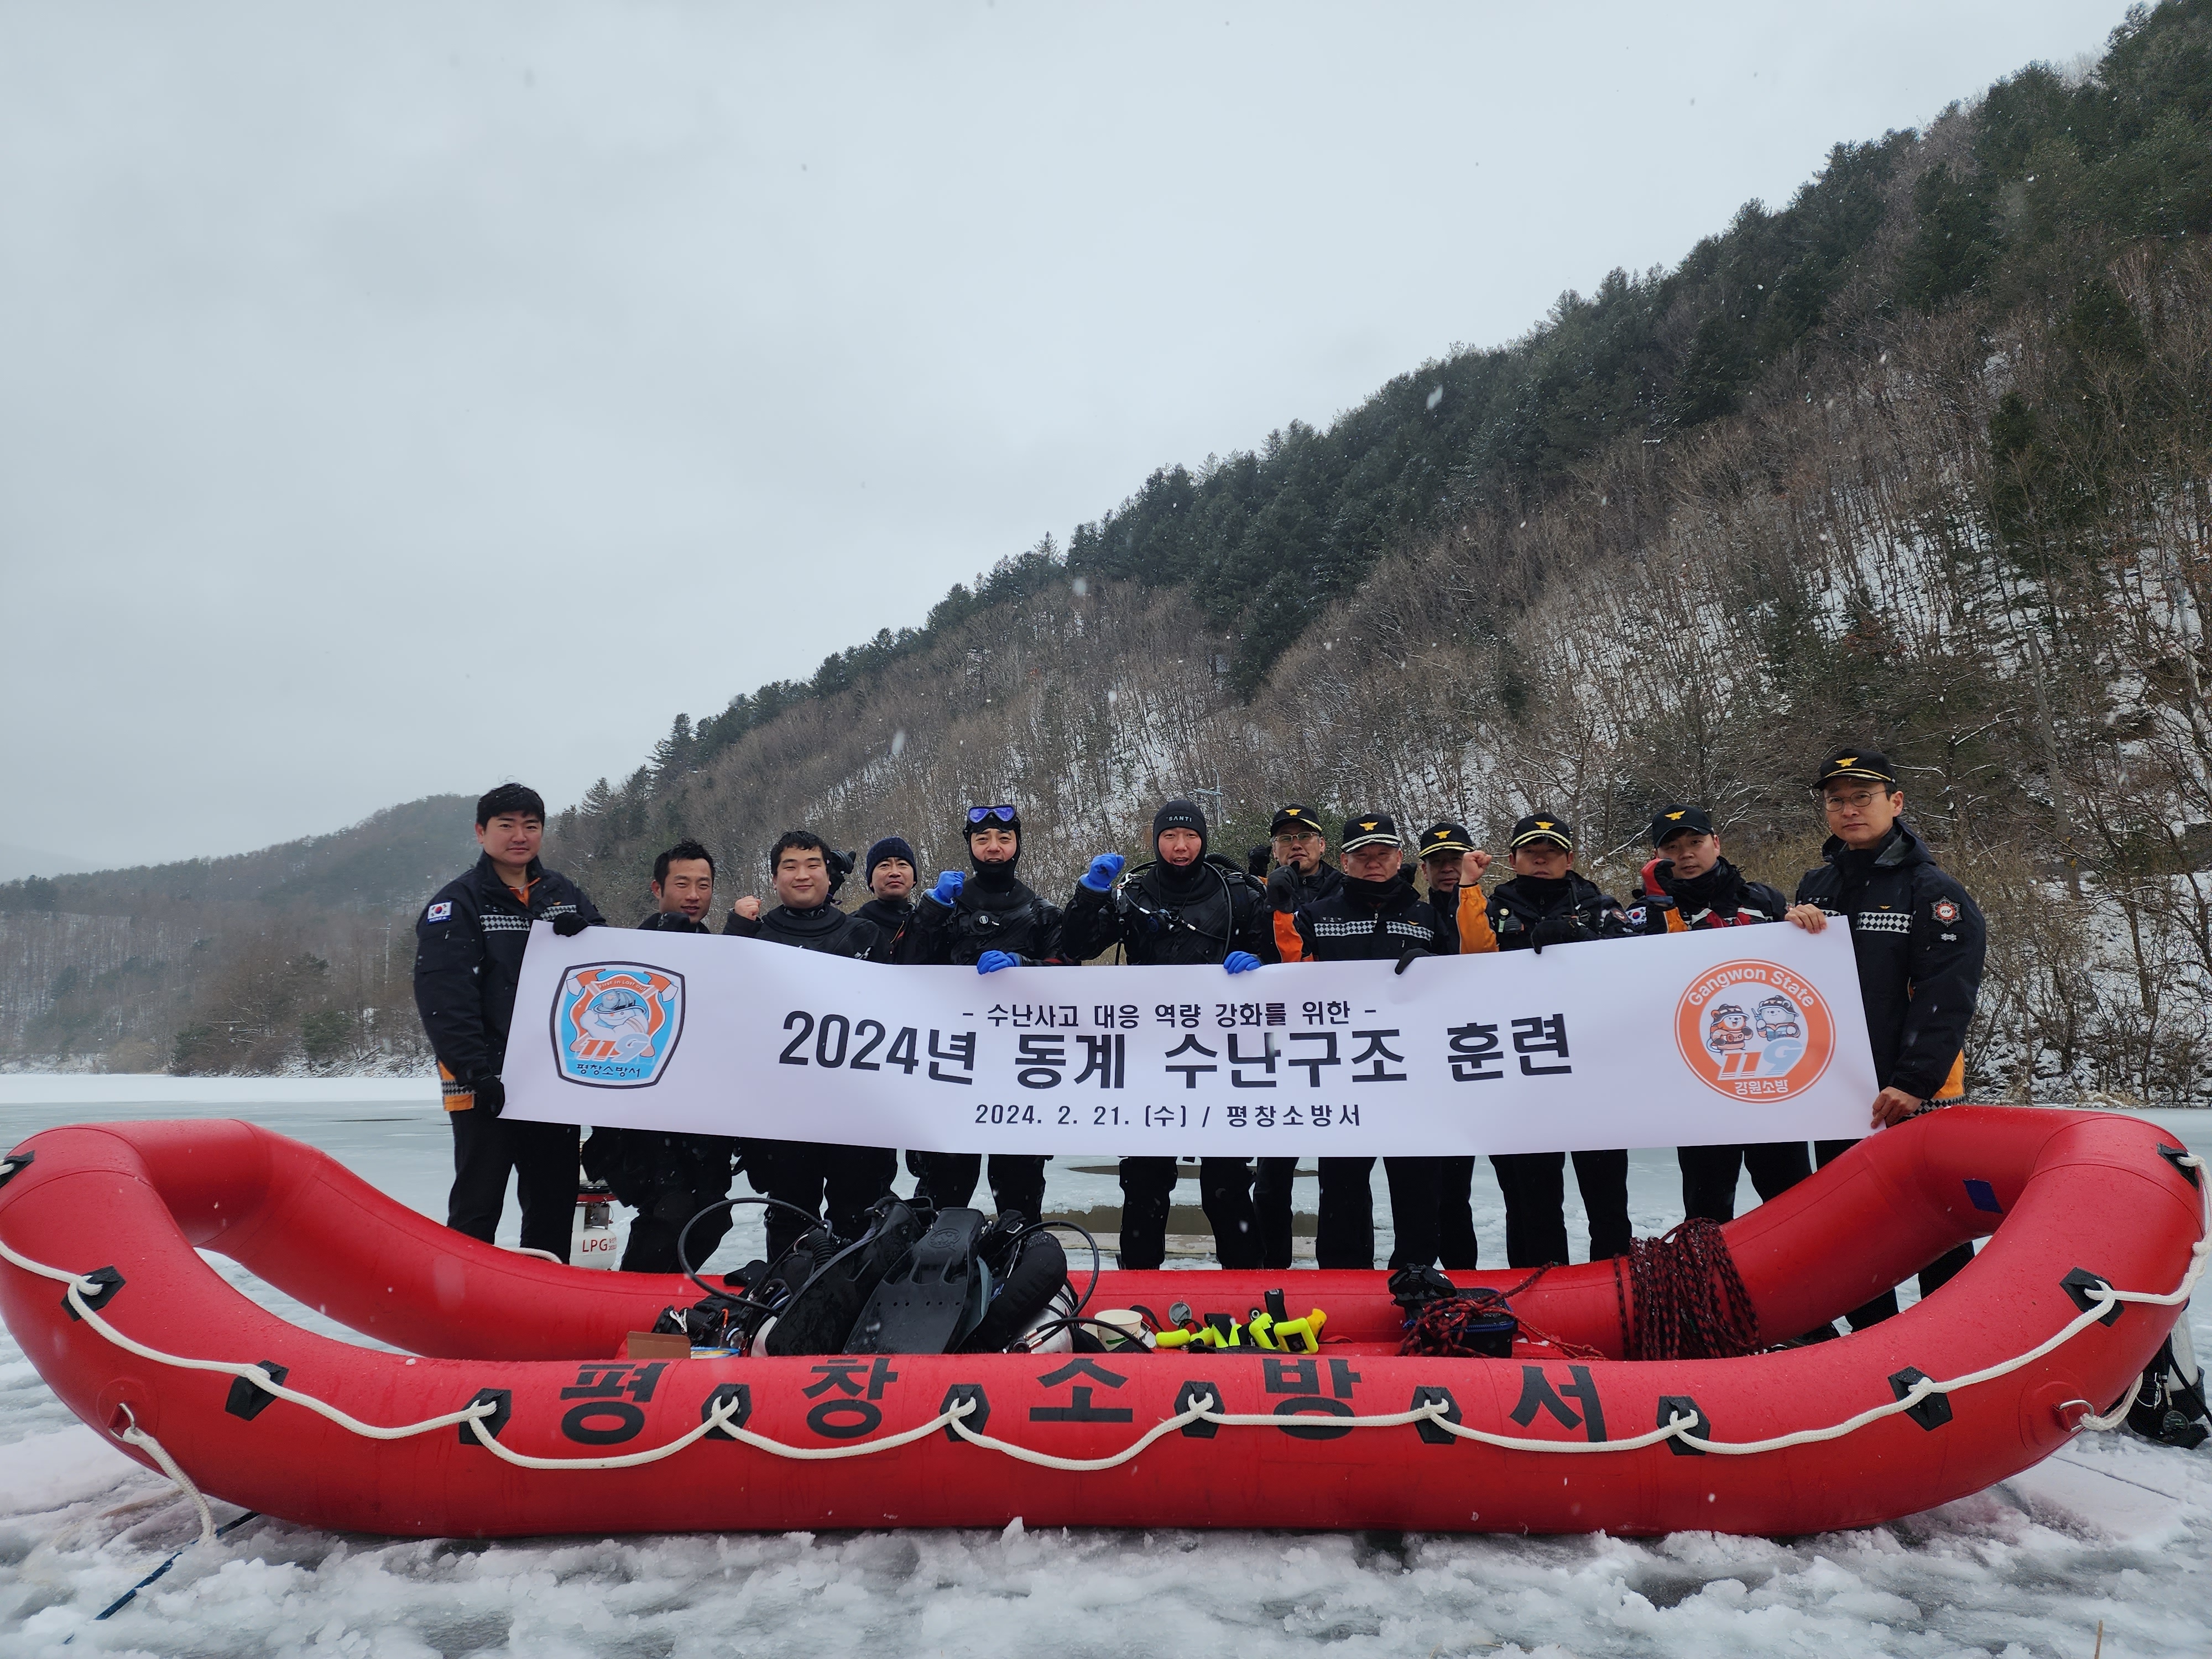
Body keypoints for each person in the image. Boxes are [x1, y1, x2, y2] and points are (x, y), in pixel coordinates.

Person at [1784, 749, 1987, 1328]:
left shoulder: (1933, 891)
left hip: (1912, 1094)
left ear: (1895, 802)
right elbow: (1796, 985)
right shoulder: (1817, 884)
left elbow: (1948, 995)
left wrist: (1914, 1081)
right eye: (1837, 800)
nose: (1849, 810)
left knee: (1933, 1225)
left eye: (1862, 797)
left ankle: (1954, 1338)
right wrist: (1788, 931)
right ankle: (1871, 1342)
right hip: (1838, 1093)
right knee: (1853, 1232)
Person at [1062, 798, 1271, 1270]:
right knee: (1145, 1181)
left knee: (1227, 1183)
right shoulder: (1135, 893)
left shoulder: (1237, 893)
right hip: (1150, 1057)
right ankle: (1139, 1285)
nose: (1181, 846)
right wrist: (1091, 893)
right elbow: (1077, 946)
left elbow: (1278, 960)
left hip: (1219, 1057)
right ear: (1156, 841)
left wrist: (1260, 965)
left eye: (1191, 836)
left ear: (1204, 839)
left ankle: (1246, 1283)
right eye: (1170, 837)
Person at [414, 784, 604, 1261]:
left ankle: (543, 1294)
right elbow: (445, 999)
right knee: (478, 1204)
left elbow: (608, 963)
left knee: (552, 1204)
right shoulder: (457, 903)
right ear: (481, 833)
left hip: (550, 1078)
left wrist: (589, 936)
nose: (520, 836)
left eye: (531, 826)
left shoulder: (562, 893)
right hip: (483, 1081)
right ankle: (461, 1294)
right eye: (507, 826)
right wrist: (476, 1071)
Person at [1271, 812, 1448, 1270]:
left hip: (1411, 1078)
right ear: (1344, 860)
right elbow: (1292, 978)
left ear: (1399, 858)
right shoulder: (1317, 915)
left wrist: (1436, 968)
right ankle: (1344, 1281)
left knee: (1418, 1190)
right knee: (1342, 1191)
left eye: (1382, 854)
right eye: (1362, 855)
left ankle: (1416, 1278)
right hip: (1343, 1078)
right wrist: (1282, 913)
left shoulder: (1426, 916)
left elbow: (1466, 983)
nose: (1373, 863)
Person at [1635, 804, 1812, 1224]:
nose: (1686, 854)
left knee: (1792, 1198)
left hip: (1771, 1078)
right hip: (1699, 1080)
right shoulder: (1647, 911)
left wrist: (1805, 925)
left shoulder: (1763, 899)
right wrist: (1659, 904)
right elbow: (1648, 977)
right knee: (1707, 1208)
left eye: (1695, 842)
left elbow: (1800, 974)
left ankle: (1795, 1267)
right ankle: (1709, 1270)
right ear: (1658, 857)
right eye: (1672, 848)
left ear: (1716, 843)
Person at [724, 830, 895, 1259]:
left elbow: (901, 1015)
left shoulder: (865, 935)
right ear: (774, 877)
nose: (802, 875)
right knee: (789, 1220)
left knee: (857, 1220)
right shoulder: (753, 939)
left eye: (812, 865)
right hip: (781, 1115)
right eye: (790, 867)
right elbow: (719, 1006)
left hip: (856, 1111)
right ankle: (787, 1297)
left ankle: (850, 1299)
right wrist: (734, 934)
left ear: (829, 874)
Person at [1481, 813, 1637, 1269]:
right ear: (1513, 859)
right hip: (1524, 1080)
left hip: (1595, 1079)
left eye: (1551, 852)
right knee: (1533, 1206)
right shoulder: (1490, 912)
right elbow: (1462, 960)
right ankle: (1541, 1294)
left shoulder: (1600, 906)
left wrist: (1580, 936)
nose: (1541, 859)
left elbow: (1637, 965)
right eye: (1531, 852)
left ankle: (1614, 1289)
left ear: (1569, 859)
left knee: (1608, 1202)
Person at [582, 838, 741, 1272]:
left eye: (704, 885)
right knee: (670, 1211)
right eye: (682, 884)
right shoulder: (626, 955)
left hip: (703, 1121)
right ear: (658, 888)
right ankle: (627, 1301)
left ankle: (661, 1300)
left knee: (713, 1217)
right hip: (642, 1124)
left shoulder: (726, 955)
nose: (694, 895)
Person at [906, 804, 1063, 1223]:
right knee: (944, 1192)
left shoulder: (1042, 911)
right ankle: (937, 1263)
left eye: (1004, 839)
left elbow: (1067, 974)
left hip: (1021, 1069)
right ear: (970, 846)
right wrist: (933, 908)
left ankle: (1018, 1262)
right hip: (953, 1065)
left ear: (1017, 846)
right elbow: (908, 965)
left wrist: (1022, 966)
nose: (994, 848)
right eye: (983, 839)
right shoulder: (948, 908)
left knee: (1019, 1196)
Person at [1253, 804, 1341, 1268]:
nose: (1296, 845)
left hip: (1337, 1044)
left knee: (1342, 1176)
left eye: (1304, 837)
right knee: (1271, 1177)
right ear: (1275, 849)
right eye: (1286, 839)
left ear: (1322, 844)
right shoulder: (1259, 891)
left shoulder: (1345, 889)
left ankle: (1341, 1270)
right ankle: (1273, 1267)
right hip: (1277, 1045)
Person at [1416, 821, 1494, 1269]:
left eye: (1456, 860)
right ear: (1424, 869)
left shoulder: (1492, 908)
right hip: (1428, 1074)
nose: (1448, 868)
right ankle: (1430, 1274)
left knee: (1491, 1188)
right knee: (1436, 1189)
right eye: (1439, 862)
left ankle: (1467, 1276)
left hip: (1484, 1064)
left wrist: (1470, 889)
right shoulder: (1415, 915)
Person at [853, 835, 924, 963]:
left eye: (902, 865)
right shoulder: (851, 927)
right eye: (885, 865)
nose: (895, 872)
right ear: (871, 881)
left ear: (914, 879)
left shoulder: (929, 926)